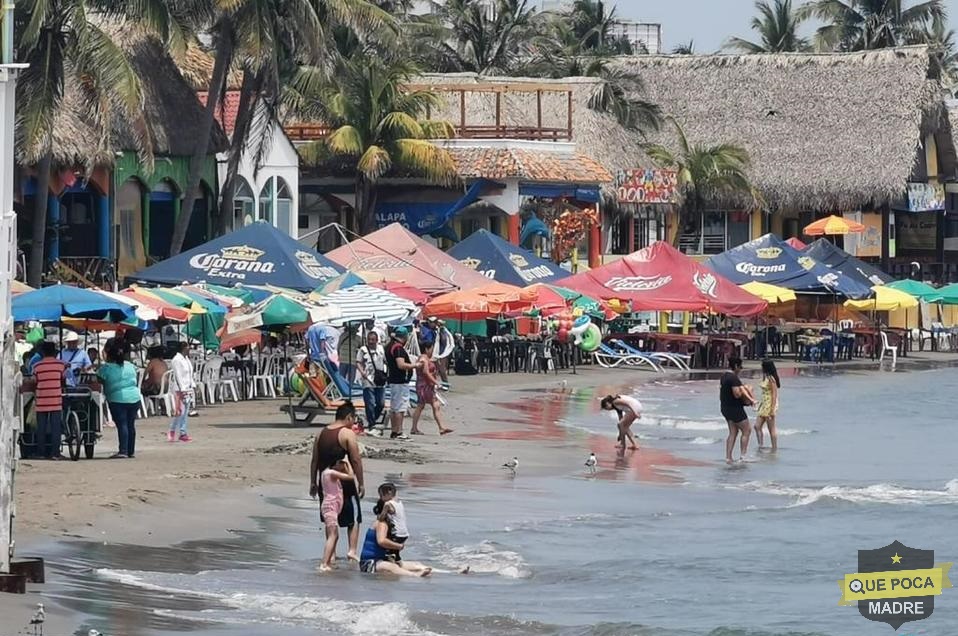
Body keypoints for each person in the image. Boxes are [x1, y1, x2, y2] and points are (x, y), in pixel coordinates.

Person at [309, 401, 366, 559]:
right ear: (349, 417)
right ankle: (352, 550)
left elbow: (315, 460)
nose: (354, 423)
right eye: (353, 419)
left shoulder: (321, 433)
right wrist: (361, 483)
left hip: (325, 482)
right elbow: (355, 460)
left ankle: (331, 553)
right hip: (343, 481)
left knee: (330, 516)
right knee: (353, 517)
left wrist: (313, 482)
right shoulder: (347, 433)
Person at [97, 343, 142, 459]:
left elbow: (99, 380)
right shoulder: (130, 365)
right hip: (134, 397)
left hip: (117, 399)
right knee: (130, 424)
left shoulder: (106, 368)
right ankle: (130, 450)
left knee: (122, 424)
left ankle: (123, 451)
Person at [319, 459, 356, 571]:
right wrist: (348, 463)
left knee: (335, 535)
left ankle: (328, 561)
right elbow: (350, 477)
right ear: (336, 464)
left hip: (332, 508)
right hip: (330, 507)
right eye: (341, 464)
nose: (342, 466)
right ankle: (324, 564)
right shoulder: (330, 473)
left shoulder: (328, 473)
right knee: (333, 535)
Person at [33, 342, 67, 459]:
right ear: (54, 352)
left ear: (42, 352)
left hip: (41, 400)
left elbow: (34, 381)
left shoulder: (37, 366)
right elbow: (63, 379)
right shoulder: (61, 365)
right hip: (56, 400)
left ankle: (41, 453)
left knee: (41, 428)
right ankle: (55, 453)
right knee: (55, 428)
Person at [410, 342, 452, 436]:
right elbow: (426, 372)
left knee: (434, 405)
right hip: (424, 386)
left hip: (427, 385)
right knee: (422, 405)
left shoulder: (425, 358)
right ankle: (414, 428)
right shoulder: (423, 359)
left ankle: (441, 427)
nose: (432, 351)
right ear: (426, 349)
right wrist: (436, 382)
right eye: (431, 349)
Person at [720, 356, 756, 464]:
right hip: (735, 409)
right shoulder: (733, 378)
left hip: (725, 407)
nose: (740, 369)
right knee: (747, 430)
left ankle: (728, 457)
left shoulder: (724, 376)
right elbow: (736, 394)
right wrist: (745, 389)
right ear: (736, 366)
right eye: (740, 367)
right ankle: (743, 456)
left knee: (733, 432)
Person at [384, 327, 416, 440]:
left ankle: (394, 431)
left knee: (394, 407)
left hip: (393, 380)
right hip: (399, 381)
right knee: (400, 407)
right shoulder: (398, 348)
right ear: (405, 337)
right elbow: (401, 364)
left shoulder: (389, 346)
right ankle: (399, 432)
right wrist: (415, 366)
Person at [356, 331, 386, 429]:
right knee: (370, 403)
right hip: (368, 380)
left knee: (381, 403)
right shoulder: (363, 349)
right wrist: (362, 372)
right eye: (369, 340)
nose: (371, 342)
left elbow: (385, 361)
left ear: (377, 340)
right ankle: (371, 423)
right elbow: (358, 362)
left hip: (379, 379)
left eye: (373, 340)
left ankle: (372, 418)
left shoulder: (381, 349)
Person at [169, 341, 195, 443]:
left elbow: (189, 373)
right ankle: (174, 430)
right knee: (180, 411)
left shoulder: (186, 359)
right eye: (188, 347)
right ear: (183, 348)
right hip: (179, 389)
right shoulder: (176, 360)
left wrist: (192, 385)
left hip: (188, 387)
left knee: (185, 411)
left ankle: (182, 432)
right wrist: (182, 389)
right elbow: (178, 376)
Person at [754, 359, 781, 451]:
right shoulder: (765, 377)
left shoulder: (771, 379)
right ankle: (760, 445)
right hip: (764, 403)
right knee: (757, 426)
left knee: (771, 428)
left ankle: (774, 448)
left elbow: (774, 394)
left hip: (770, 404)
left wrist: (772, 409)